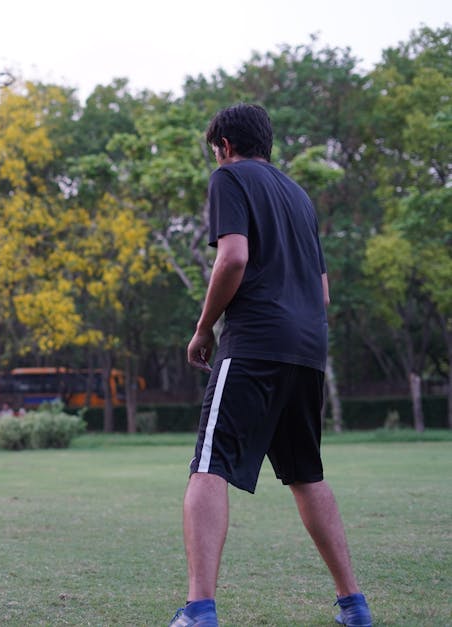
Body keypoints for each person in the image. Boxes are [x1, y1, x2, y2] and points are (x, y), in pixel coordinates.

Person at [170, 104, 371, 627]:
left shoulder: (229, 177)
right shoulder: (298, 197)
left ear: (224, 145)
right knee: (307, 474)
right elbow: (322, 291)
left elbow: (232, 256)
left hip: (255, 342)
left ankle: (199, 610)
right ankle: (354, 606)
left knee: (209, 467)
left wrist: (203, 327)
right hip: (307, 350)